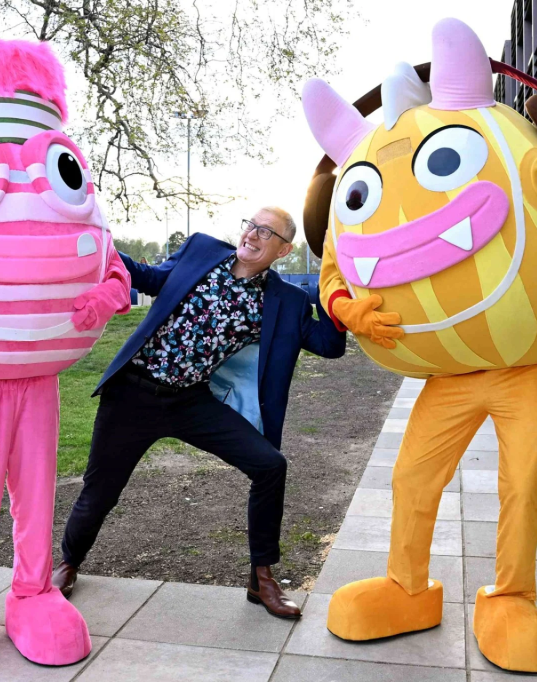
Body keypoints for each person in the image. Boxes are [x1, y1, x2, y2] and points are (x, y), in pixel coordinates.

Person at [53, 206, 347, 619]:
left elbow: (330, 345)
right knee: (101, 490)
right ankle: (69, 562)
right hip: (132, 394)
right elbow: (150, 277)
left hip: (190, 400)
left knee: (270, 466)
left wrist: (330, 283)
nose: (253, 235)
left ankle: (261, 579)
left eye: (266, 232)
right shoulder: (201, 250)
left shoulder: (285, 300)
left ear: (284, 250)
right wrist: (99, 245)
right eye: (251, 225)